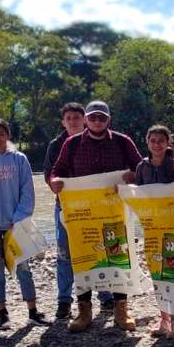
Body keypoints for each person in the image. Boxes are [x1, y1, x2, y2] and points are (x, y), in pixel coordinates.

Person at [49, 100, 142, 333]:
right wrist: (54, 183)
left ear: (108, 120)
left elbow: (141, 168)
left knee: (117, 255)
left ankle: (121, 311)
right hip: (83, 214)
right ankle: (84, 311)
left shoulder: (122, 142)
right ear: (86, 120)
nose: (97, 121)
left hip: (114, 210)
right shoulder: (71, 144)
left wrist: (134, 176)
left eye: (102, 117)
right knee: (84, 257)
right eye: (93, 117)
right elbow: (57, 171)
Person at [0, 118, 51, 330]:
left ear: (8, 136)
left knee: (24, 267)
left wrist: (19, 220)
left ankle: (33, 311)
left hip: (16, 225)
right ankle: (2, 313)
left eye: (1, 134)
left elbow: (27, 192)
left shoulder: (19, 159)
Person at [43, 102, 113, 321]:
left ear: (84, 119)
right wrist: (53, 183)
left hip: (96, 208)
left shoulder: (96, 139)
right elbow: (49, 174)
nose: (72, 121)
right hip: (66, 207)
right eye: (68, 118)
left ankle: (105, 295)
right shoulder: (56, 145)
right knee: (65, 255)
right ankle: (64, 301)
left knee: (99, 249)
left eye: (76, 117)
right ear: (63, 121)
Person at [133, 124, 174, 339]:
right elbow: (137, 195)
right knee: (157, 272)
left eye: (161, 140)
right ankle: (164, 318)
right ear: (147, 143)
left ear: (168, 142)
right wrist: (124, 186)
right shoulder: (142, 167)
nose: (157, 144)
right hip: (152, 230)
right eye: (153, 141)